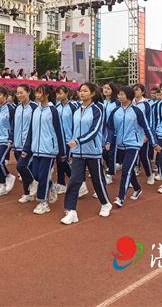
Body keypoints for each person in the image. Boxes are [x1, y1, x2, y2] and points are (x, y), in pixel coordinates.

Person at [61, 82, 113, 225]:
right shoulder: (77, 110)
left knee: (97, 180)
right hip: (77, 152)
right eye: (80, 91)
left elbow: (95, 130)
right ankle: (71, 211)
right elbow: (73, 129)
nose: (81, 93)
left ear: (93, 93)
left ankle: (106, 203)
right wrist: (73, 145)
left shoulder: (98, 109)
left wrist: (77, 141)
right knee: (74, 180)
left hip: (93, 151)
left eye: (85, 91)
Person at [106, 85, 158, 208]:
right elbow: (110, 128)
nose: (119, 96)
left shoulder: (137, 111)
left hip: (133, 145)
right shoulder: (115, 111)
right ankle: (137, 188)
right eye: (118, 94)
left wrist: (153, 143)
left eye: (122, 94)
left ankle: (120, 197)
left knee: (125, 171)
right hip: (120, 145)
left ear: (128, 96)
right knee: (128, 169)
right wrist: (108, 141)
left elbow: (146, 126)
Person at [22, 84, 65, 215]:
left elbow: (59, 132)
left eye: (40, 93)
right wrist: (26, 148)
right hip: (36, 148)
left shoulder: (53, 110)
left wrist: (62, 152)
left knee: (43, 175)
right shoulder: (36, 110)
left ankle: (43, 202)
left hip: (49, 149)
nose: (37, 95)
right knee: (35, 174)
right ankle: (51, 186)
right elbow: (31, 131)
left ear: (46, 94)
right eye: (36, 93)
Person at [13, 84, 39, 203]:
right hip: (18, 143)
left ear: (28, 92)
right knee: (24, 170)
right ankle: (27, 193)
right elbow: (14, 126)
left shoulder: (35, 107)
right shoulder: (17, 108)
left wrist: (29, 144)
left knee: (21, 166)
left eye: (21, 92)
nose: (19, 95)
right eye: (17, 93)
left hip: (29, 145)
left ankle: (38, 185)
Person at [0, 86, 17, 196]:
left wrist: (11, 138)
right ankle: (2, 186)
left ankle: (8, 177)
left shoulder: (10, 109)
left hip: (5, 140)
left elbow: (13, 125)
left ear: (5, 96)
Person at [55, 85, 77, 194]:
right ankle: (61, 183)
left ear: (67, 93)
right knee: (59, 161)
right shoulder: (56, 107)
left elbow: (77, 123)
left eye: (61, 93)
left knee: (63, 161)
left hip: (69, 139)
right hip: (59, 139)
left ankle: (77, 182)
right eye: (57, 93)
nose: (59, 95)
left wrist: (75, 138)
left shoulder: (73, 107)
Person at [132, 84, 154, 185]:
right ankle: (131, 178)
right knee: (131, 155)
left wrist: (146, 134)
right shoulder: (130, 103)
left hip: (142, 134)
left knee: (144, 156)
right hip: (131, 134)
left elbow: (149, 120)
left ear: (142, 92)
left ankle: (150, 174)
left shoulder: (146, 104)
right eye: (134, 90)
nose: (135, 91)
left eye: (137, 90)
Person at [101, 83, 120, 183]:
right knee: (103, 152)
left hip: (113, 131)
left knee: (111, 153)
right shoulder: (101, 102)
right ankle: (110, 168)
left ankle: (110, 174)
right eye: (104, 88)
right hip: (102, 131)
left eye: (108, 88)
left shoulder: (117, 103)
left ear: (113, 90)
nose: (106, 90)